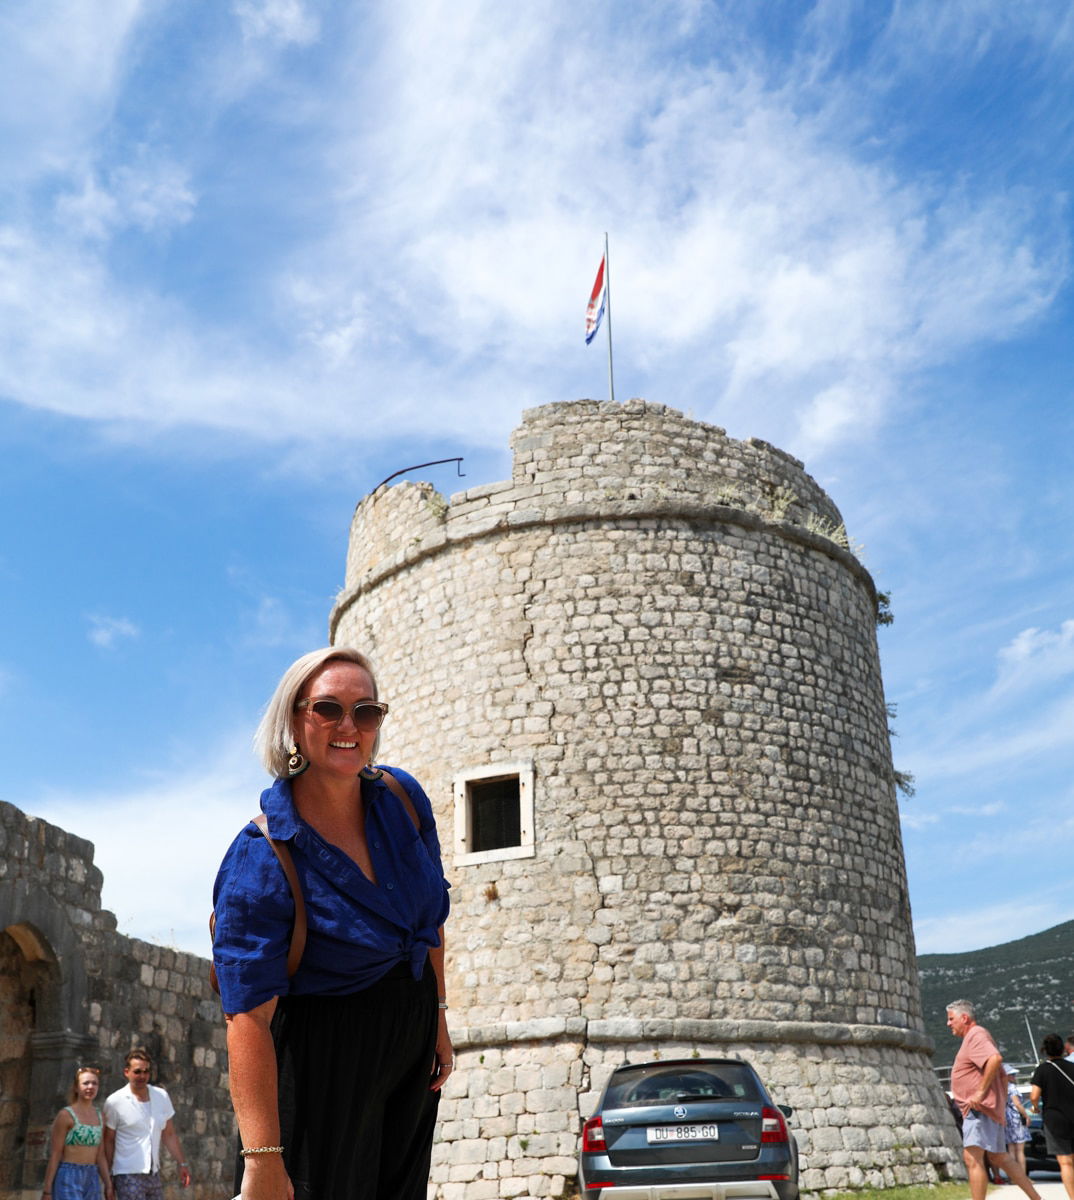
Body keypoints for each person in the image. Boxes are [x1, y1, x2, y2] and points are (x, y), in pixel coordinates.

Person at [212, 647, 452, 1200]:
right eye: (329, 709)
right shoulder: (260, 855)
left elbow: (430, 920)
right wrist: (263, 1160)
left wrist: (437, 1017)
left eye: (366, 712)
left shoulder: (402, 799)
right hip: (323, 1064)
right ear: (294, 721)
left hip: (410, 1048)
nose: (350, 726)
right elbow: (246, 1016)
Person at [946, 1000, 1042, 1200]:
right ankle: (1037, 1198)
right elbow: (1002, 1074)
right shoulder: (976, 1036)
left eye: (951, 1019)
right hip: (987, 1109)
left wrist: (981, 1093)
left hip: (979, 1109)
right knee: (1000, 1157)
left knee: (972, 1159)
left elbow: (995, 1059)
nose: (948, 1024)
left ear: (964, 1018)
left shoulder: (976, 1034)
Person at [102, 1049, 190, 1200]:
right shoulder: (115, 1101)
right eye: (137, 1072)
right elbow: (108, 1140)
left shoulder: (161, 1096)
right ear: (126, 1072)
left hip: (153, 1173)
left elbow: (169, 1134)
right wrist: (108, 1178)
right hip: (126, 1174)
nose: (142, 1076)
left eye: (146, 1071)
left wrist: (182, 1164)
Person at [41, 1066, 113, 1200]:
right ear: (76, 1087)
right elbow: (56, 1154)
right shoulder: (66, 1115)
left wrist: (108, 1185)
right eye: (85, 1083)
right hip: (69, 1174)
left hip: (92, 1176)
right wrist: (47, 1190)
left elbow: (100, 1154)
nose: (90, 1087)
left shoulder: (100, 1116)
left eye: (94, 1083)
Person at [1030, 1033, 1074, 1200]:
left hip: (1055, 1119)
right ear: (1063, 1049)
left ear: (1044, 1050)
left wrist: (1034, 1108)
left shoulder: (1042, 1069)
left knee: (1065, 1162)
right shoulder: (1072, 1067)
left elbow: (1034, 1096)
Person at [1004, 1063, 1032, 1177]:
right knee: (1020, 1150)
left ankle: (1013, 1177)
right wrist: (1026, 1116)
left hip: (1006, 1118)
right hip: (1016, 1118)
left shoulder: (1000, 1088)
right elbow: (1017, 1104)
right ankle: (1023, 1177)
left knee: (1011, 1149)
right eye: (1012, 1074)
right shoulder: (1011, 1087)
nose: (1014, 1077)